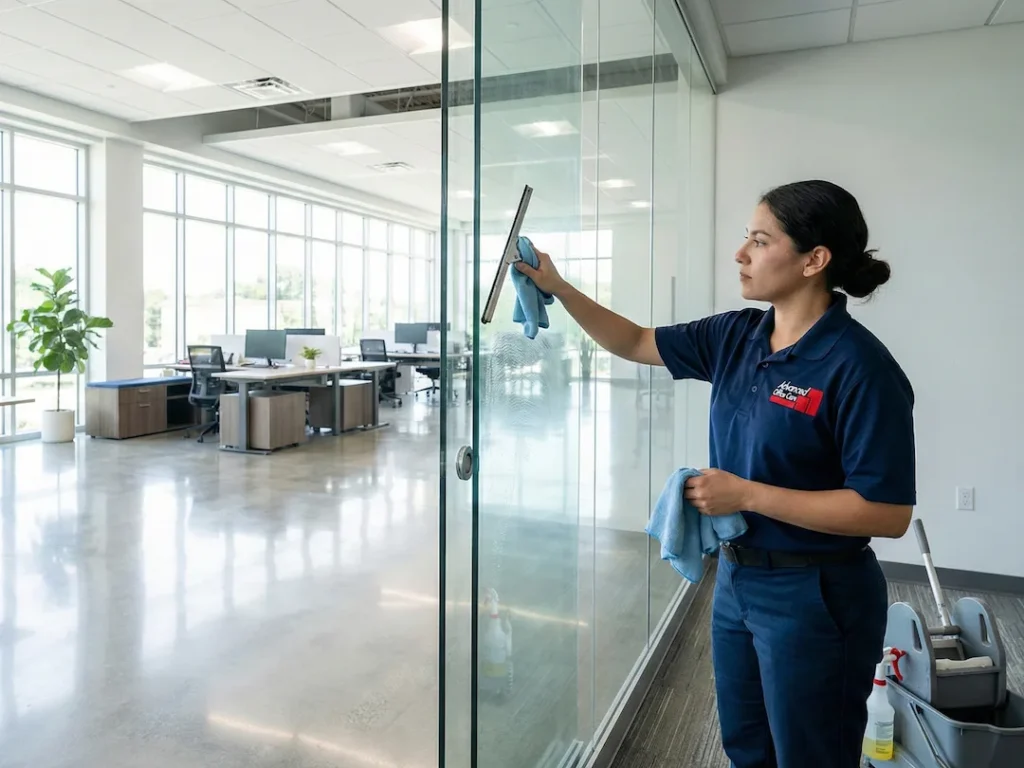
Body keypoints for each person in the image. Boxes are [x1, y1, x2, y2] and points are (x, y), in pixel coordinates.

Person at [515, 179, 915, 768]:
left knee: (812, 754)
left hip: (817, 595)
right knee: (747, 747)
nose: (740, 254)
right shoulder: (736, 336)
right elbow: (634, 340)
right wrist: (556, 285)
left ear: (814, 260)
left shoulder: (860, 368)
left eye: (759, 240)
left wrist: (747, 494)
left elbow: (887, 513)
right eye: (745, 238)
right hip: (735, 582)